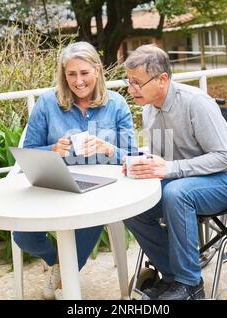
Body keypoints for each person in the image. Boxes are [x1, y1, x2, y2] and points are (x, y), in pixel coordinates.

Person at [123, 44, 227, 300]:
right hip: (186, 180)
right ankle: (173, 277)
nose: (130, 89)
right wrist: (142, 162)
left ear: (162, 79)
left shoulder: (195, 103)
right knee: (131, 205)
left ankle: (191, 285)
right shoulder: (149, 109)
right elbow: (164, 158)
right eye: (128, 81)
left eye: (137, 82)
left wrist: (168, 168)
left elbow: (225, 157)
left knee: (176, 193)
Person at [13, 41, 136, 300]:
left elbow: (133, 157)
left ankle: (64, 283)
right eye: (71, 74)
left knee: (89, 219)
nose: (78, 81)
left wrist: (107, 148)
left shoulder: (116, 104)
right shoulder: (47, 103)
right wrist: (52, 149)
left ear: (98, 71)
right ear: (63, 75)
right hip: (57, 183)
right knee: (23, 236)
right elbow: (30, 151)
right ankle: (59, 264)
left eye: (84, 73)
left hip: (101, 188)